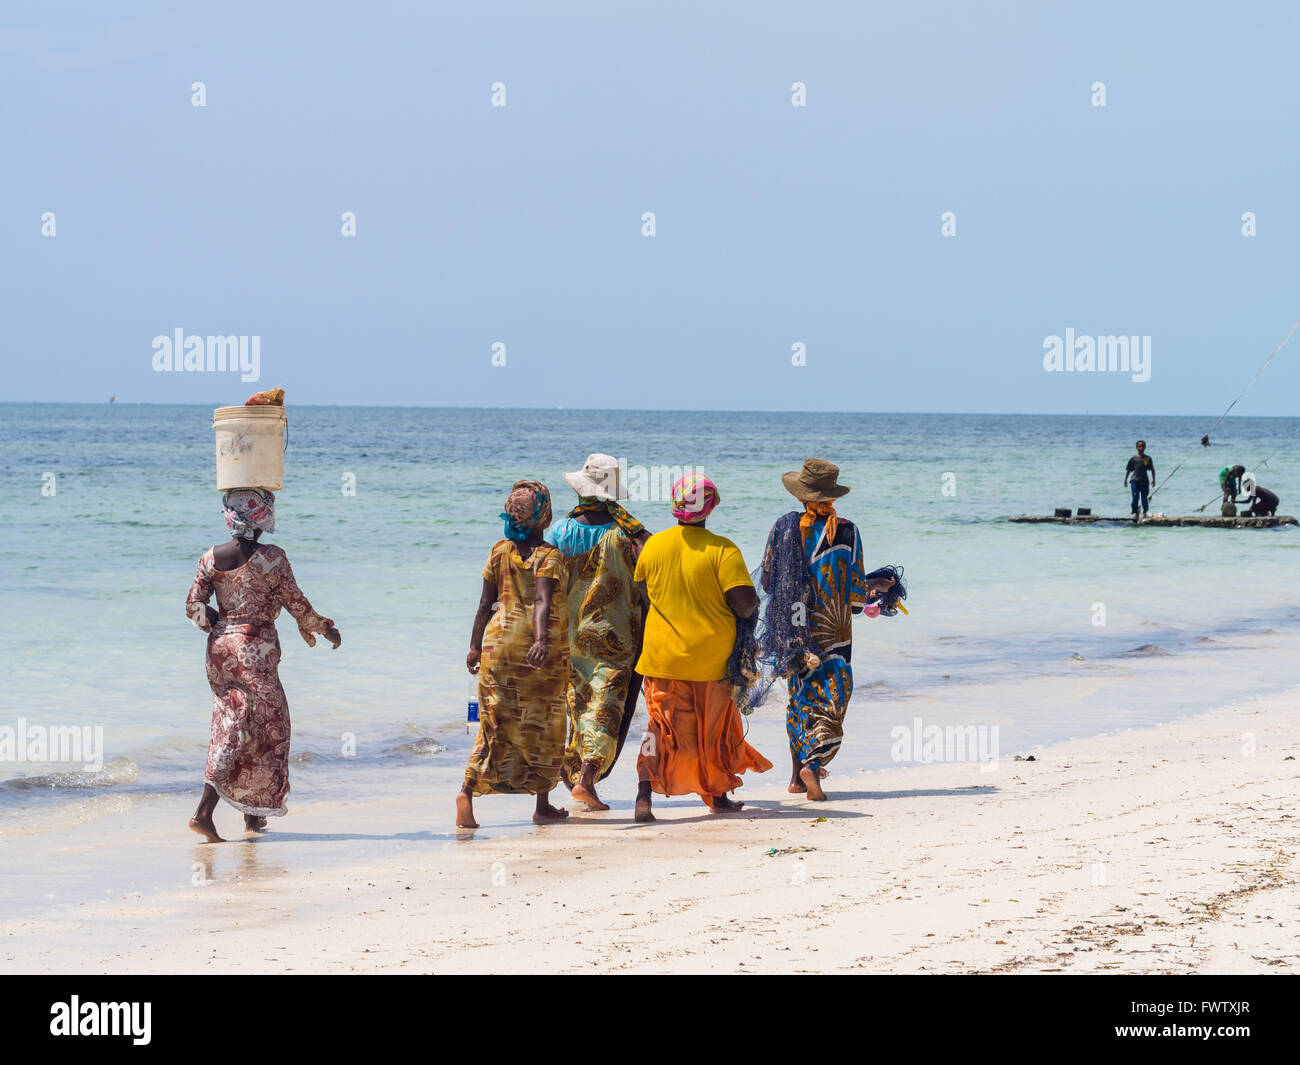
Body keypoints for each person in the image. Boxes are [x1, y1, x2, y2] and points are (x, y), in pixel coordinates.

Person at [185, 489, 341, 843]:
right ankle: (204, 813)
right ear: (263, 516)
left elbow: (192, 606)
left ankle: (253, 816)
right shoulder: (273, 558)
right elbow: (297, 604)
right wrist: (326, 629)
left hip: (220, 651)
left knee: (234, 722)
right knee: (270, 727)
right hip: (254, 650)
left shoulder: (210, 557)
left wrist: (212, 620)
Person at [631, 473, 772, 822]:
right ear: (711, 506)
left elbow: (646, 596)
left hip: (662, 659)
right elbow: (744, 604)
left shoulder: (653, 546)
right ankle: (718, 796)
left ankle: (643, 796)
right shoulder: (723, 549)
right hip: (712, 662)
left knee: (658, 729)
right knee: (715, 731)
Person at [759, 459, 900, 801]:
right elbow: (854, 594)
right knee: (831, 700)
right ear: (832, 496)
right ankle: (814, 765)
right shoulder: (848, 531)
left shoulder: (784, 526)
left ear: (802, 495)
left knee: (800, 698)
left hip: (794, 630)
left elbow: (766, 578)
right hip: (835, 632)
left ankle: (795, 777)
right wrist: (878, 588)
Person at [459, 480, 570, 829]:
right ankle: (542, 803)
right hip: (536, 654)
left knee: (494, 724)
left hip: (496, 648)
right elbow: (541, 601)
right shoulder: (548, 557)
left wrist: (475, 646)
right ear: (544, 516)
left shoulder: (498, 551)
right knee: (542, 724)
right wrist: (541, 640)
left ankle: (467, 791)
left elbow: (483, 605)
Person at [550, 454, 649, 811]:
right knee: (606, 708)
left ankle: (578, 777)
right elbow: (649, 575)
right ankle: (586, 778)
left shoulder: (560, 531)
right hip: (616, 637)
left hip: (570, 635)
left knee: (579, 705)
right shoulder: (627, 533)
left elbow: (545, 584)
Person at [1124, 440, 1154, 521]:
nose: (1141, 448)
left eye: (1143, 446)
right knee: (1135, 498)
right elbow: (1128, 470)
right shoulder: (1133, 459)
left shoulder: (1147, 458)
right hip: (1135, 480)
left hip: (1144, 481)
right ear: (1137, 447)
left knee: (1144, 498)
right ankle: (1135, 513)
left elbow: (1152, 469)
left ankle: (1144, 513)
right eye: (1140, 446)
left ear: (1145, 447)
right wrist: (1125, 480)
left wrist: (1153, 480)